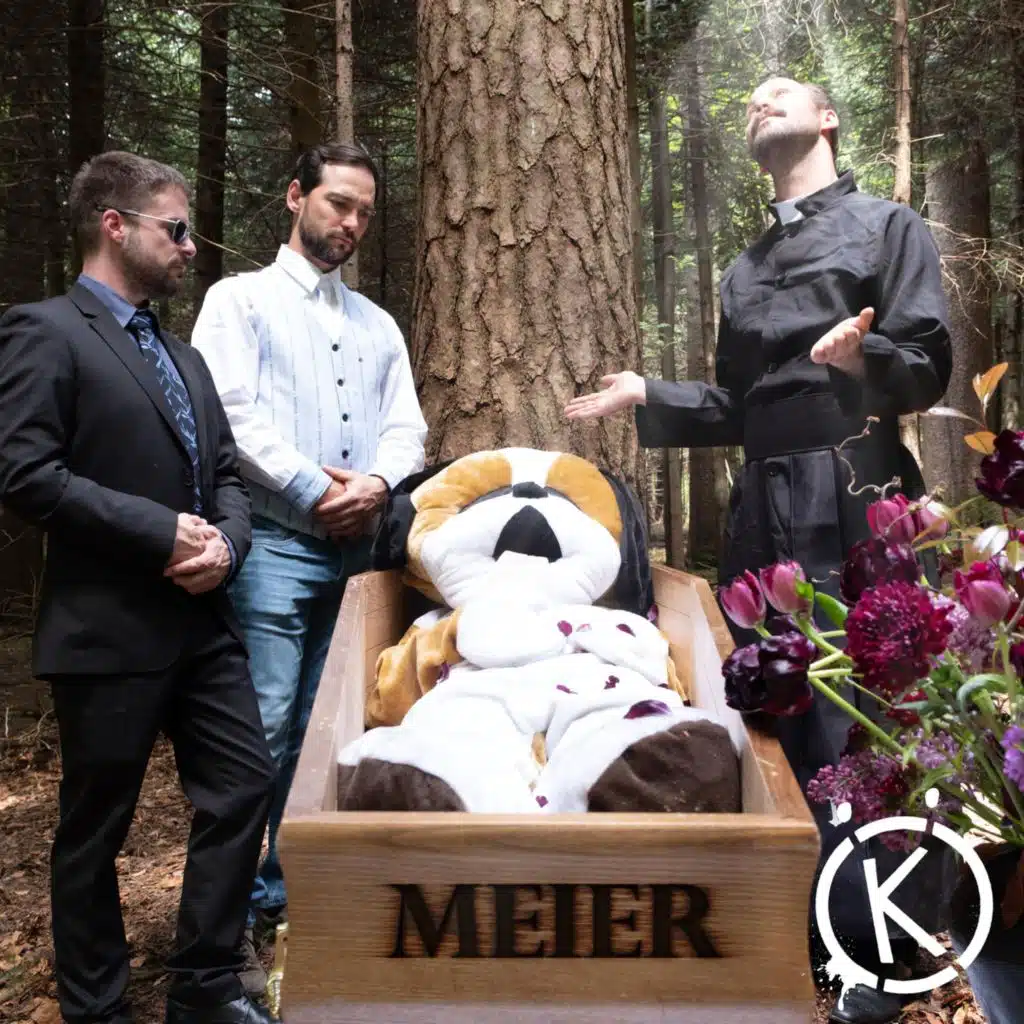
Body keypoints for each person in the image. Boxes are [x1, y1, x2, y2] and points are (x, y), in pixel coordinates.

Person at [565, 79, 953, 1024]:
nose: (757, 101)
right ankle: (804, 927)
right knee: (777, 710)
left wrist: (862, 357)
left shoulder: (889, 226)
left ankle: (884, 951)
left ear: (828, 119)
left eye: (780, 93)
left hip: (857, 491)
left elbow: (926, 361)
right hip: (762, 508)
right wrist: (648, 392)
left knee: (869, 712)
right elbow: (742, 407)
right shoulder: (743, 270)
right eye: (748, 99)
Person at [0, 152, 276, 1024]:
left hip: (205, 623)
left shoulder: (183, 357)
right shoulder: (45, 330)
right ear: (114, 226)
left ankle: (206, 984)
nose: (191, 246)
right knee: (97, 828)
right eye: (177, 228)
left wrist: (227, 545)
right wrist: (157, 531)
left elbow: (225, 475)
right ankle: (97, 1006)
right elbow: (24, 472)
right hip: (107, 628)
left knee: (244, 788)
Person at [192, 142, 428, 993]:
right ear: (296, 197)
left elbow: (407, 428)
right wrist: (311, 487)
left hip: (360, 560)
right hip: (272, 549)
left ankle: (288, 896)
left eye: (363, 211)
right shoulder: (239, 301)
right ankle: (218, 930)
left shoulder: (377, 325)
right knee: (258, 730)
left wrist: (375, 484)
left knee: (335, 731)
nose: (350, 223)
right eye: (337, 203)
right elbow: (227, 410)